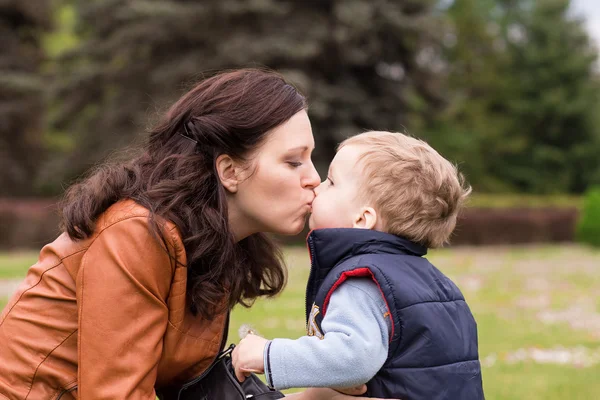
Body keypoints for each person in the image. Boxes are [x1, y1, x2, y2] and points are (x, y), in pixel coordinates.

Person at [0, 69, 390, 400]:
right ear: (230, 171)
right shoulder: (136, 234)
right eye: (292, 161)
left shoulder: (217, 243)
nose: (314, 180)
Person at [232, 131, 485, 399]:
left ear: (363, 218)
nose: (317, 186)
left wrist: (267, 354)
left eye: (331, 182)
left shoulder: (364, 281)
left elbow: (352, 359)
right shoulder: (436, 284)